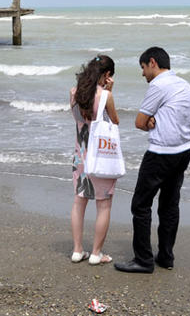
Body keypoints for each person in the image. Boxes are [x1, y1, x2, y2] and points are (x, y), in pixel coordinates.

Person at [114, 47, 190, 273]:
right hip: (183, 151)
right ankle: (166, 257)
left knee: (140, 205)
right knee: (169, 206)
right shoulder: (185, 85)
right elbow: (173, 117)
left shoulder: (158, 85)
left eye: (143, 68)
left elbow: (140, 122)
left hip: (160, 153)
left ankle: (143, 260)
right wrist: (153, 119)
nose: (143, 73)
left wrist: (150, 120)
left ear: (152, 62)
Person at [70, 55, 119, 266]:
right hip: (101, 157)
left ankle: (77, 250)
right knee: (104, 205)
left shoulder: (74, 93)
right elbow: (114, 122)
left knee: (79, 202)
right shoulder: (105, 95)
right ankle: (96, 253)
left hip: (80, 156)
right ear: (107, 75)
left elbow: (81, 119)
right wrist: (110, 92)